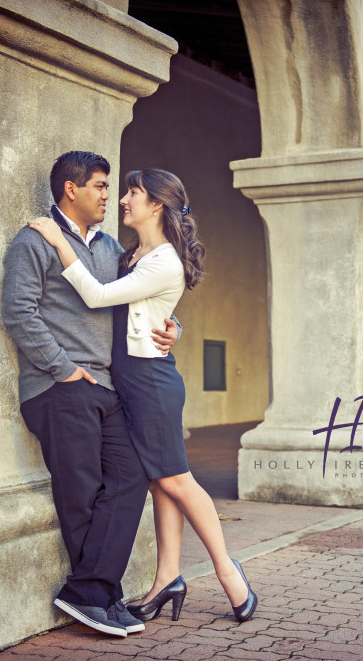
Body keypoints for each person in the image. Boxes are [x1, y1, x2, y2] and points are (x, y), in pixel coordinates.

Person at [27, 168, 258, 625]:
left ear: (156, 204)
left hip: (150, 382)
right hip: (131, 379)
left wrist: (57, 241)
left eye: (133, 192)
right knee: (157, 480)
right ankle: (168, 578)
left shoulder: (164, 260)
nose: (123, 200)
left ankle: (228, 572)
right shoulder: (133, 253)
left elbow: (97, 297)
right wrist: (173, 324)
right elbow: (146, 312)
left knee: (175, 480)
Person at [1, 151, 180, 638]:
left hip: (107, 387)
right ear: (71, 190)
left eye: (112, 187)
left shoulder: (108, 250)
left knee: (131, 477)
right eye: (101, 186)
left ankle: (90, 591)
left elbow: (139, 299)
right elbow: (18, 312)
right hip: (59, 387)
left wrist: (173, 325)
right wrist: (62, 369)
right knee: (81, 493)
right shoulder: (33, 241)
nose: (110, 195)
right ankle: (100, 597)